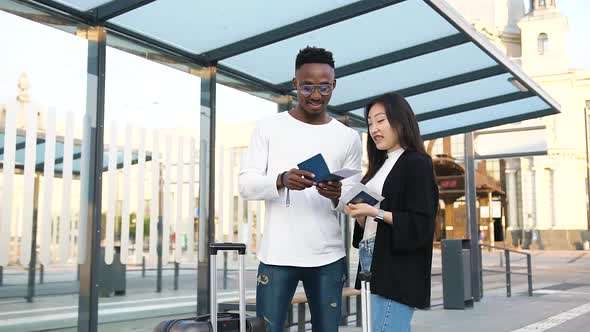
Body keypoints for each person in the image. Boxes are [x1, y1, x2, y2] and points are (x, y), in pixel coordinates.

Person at [238, 46, 362, 332]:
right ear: (295, 84)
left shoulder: (348, 137)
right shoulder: (268, 128)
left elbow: (352, 201)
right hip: (276, 255)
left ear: (334, 85)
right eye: (307, 87)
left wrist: (337, 196)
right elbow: (245, 184)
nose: (316, 95)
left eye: (324, 87)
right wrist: (280, 180)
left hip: (328, 256)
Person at [344, 92, 438, 332]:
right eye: (369, 123)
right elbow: (375, 218)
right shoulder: (382, 164)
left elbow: (422, 223)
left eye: (380, 120)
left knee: (386, 327)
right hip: (373, 259)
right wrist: (362, 215)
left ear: (400, 120)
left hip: (397, 268)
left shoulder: (416, 162)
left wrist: (374, 212)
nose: (374, 129)